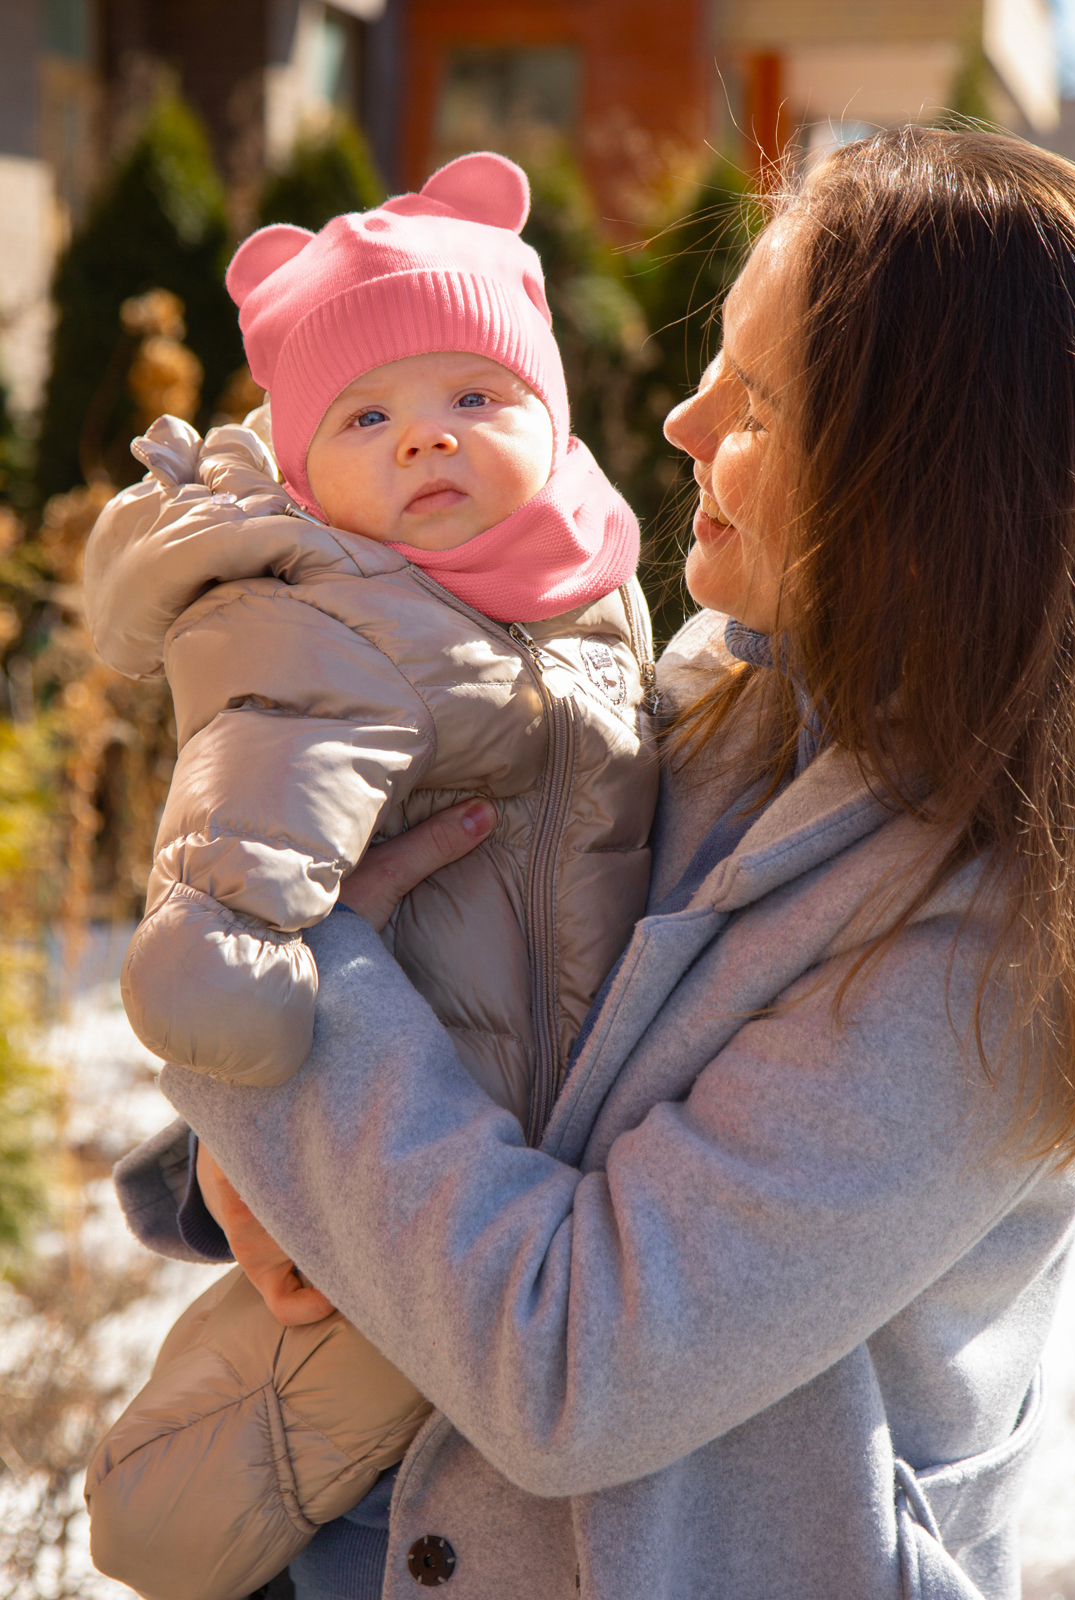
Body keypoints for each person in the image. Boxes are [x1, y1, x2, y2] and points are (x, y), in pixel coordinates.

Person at [102, 127, 1075, 1599]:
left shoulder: (988, 960)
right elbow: (472, 999)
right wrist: (253, 1147)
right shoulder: (710, 701)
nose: (681, 424)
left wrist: (307, 1009)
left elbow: (571, 1366)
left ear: (930, 476)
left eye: (754, 399)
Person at [81, 151, 657, 1596]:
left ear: (553, 414)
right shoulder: (328, 614)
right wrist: (228, 972)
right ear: (303, 458)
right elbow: (256, 792)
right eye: (369, 415)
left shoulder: (585, 586)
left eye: (476, 396)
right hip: (390, 1139)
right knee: (337, 1460)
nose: (426, 440)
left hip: (525, 1160)